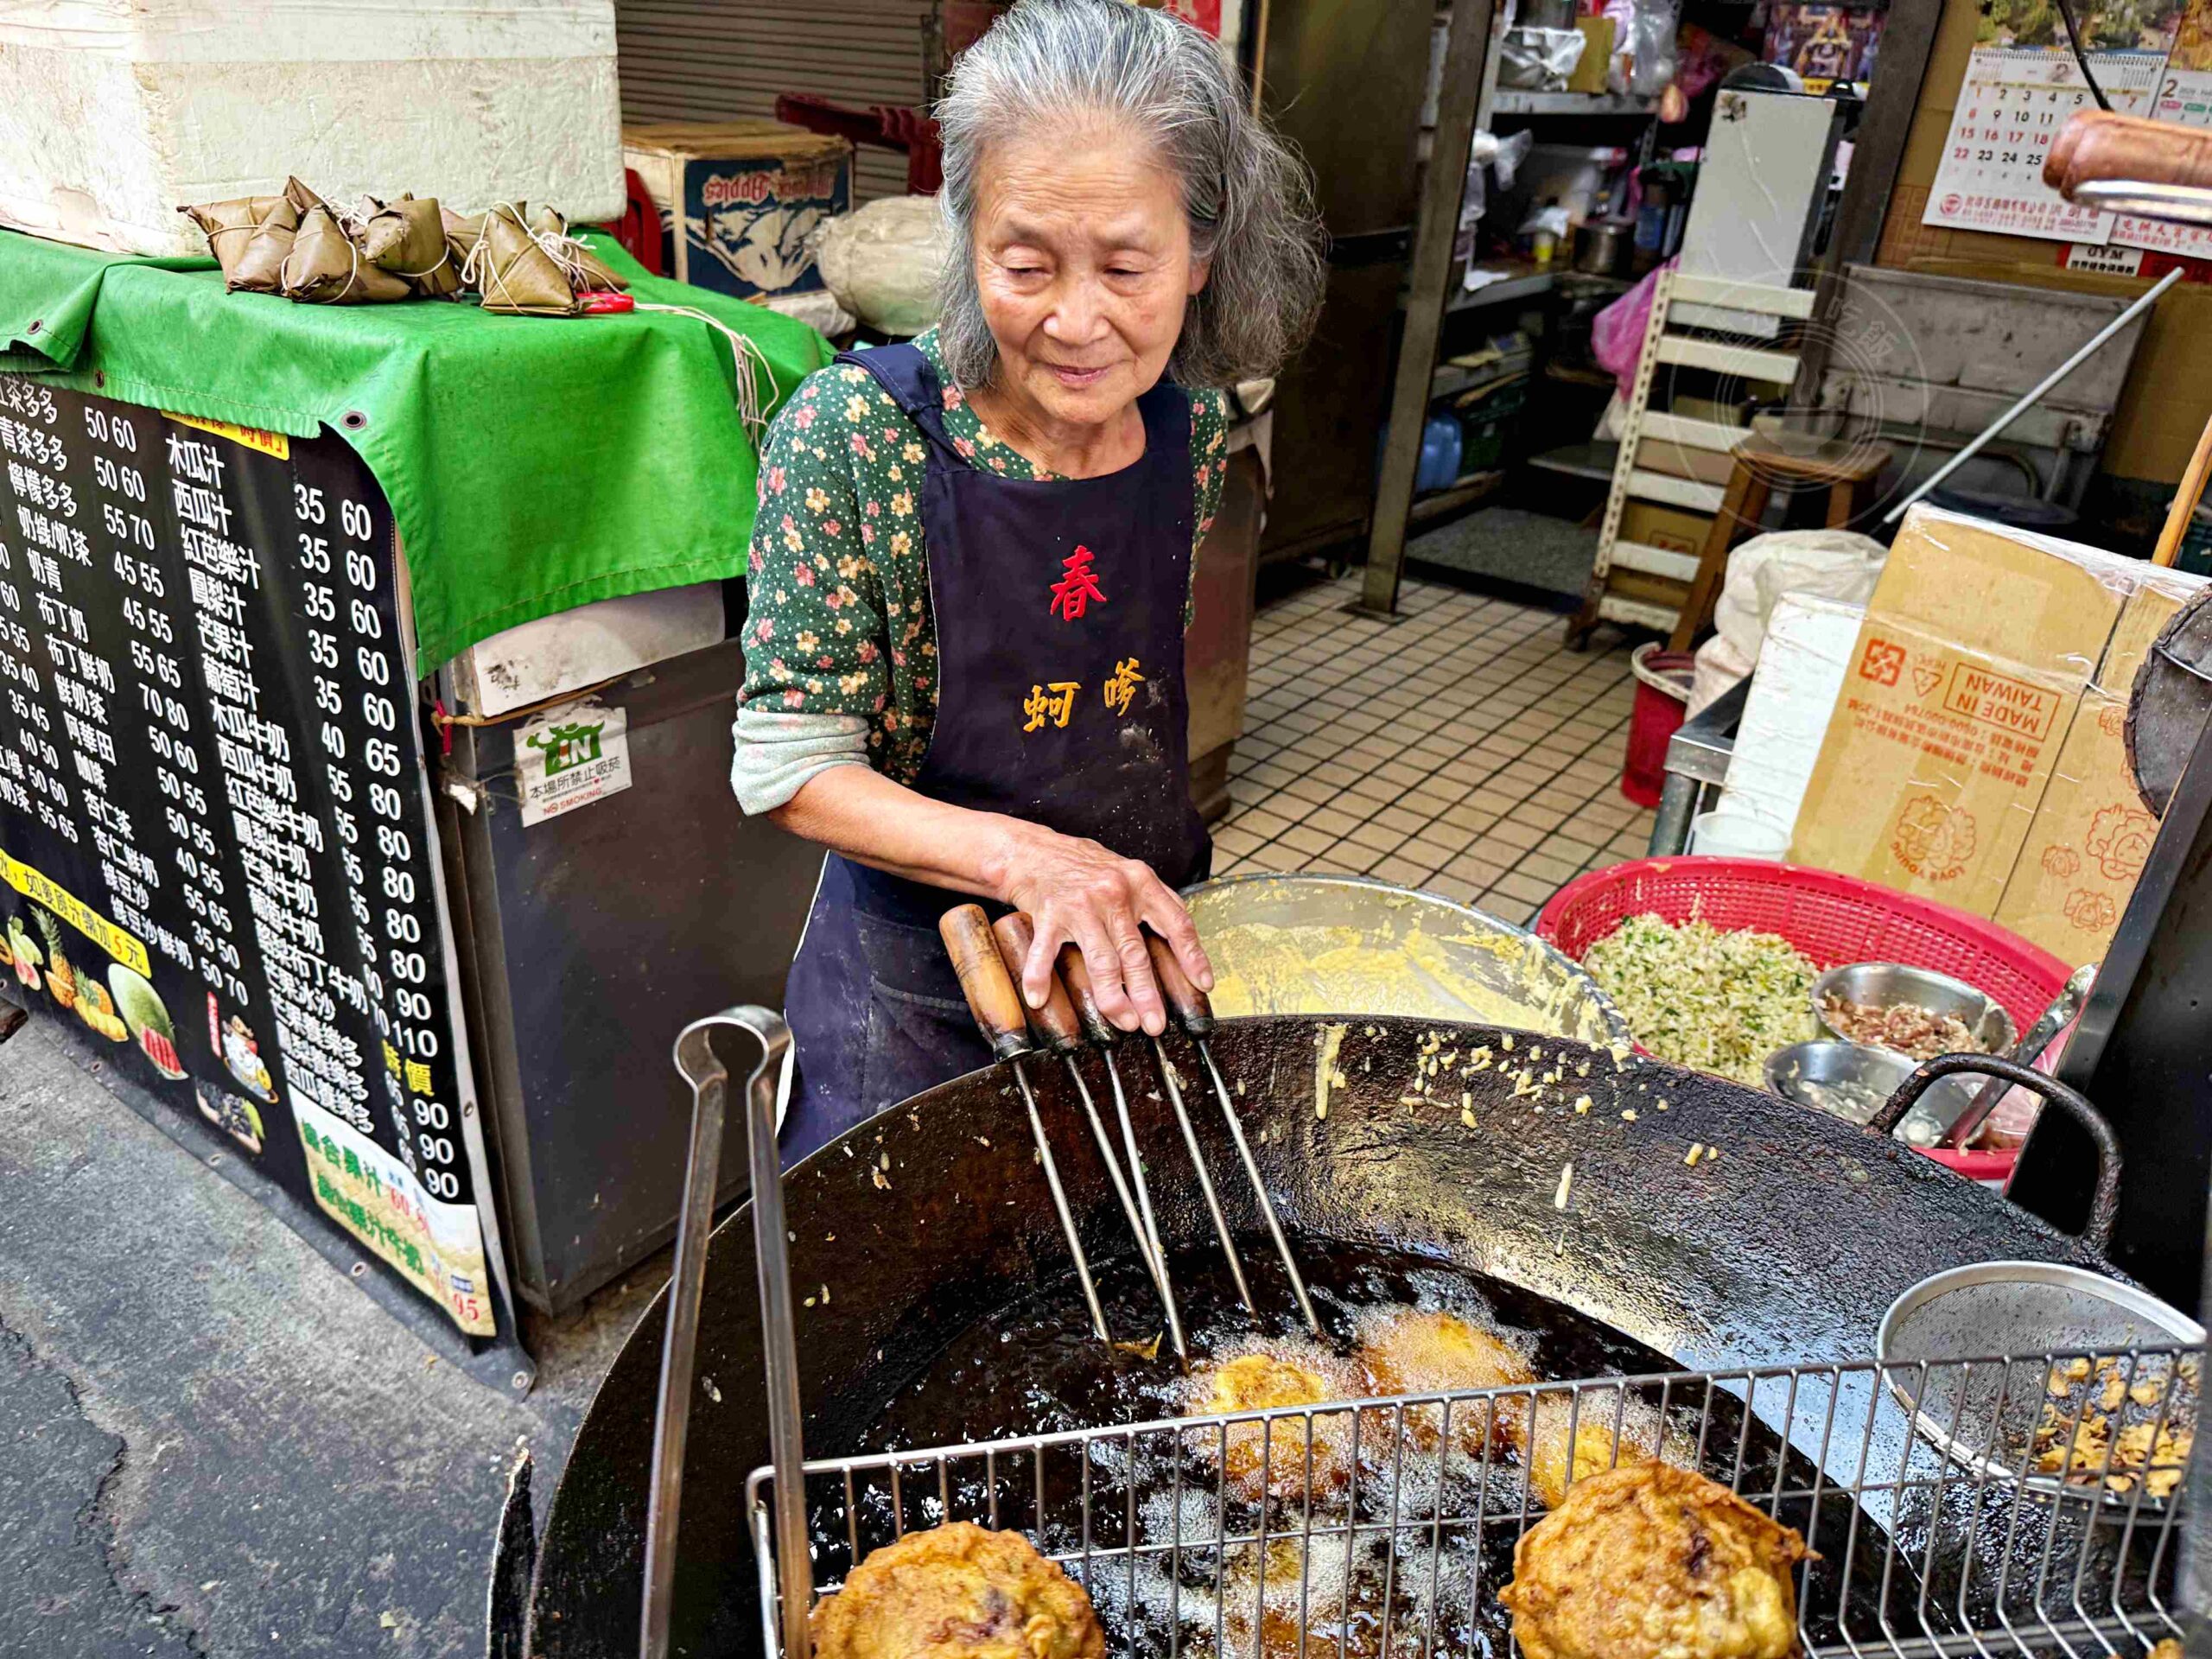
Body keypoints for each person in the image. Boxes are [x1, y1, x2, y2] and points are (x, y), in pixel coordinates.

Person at [733, 0, 1325, 1158]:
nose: (1076, 319)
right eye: (1026, 263)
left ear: (1202, 256)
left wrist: (1100, 882)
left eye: (1126, 265)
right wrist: (1033, 862)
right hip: (920, 989)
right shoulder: (857, 437)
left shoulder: (1189, 426)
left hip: (1127, 956)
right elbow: (792, 770)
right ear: (965, 241)